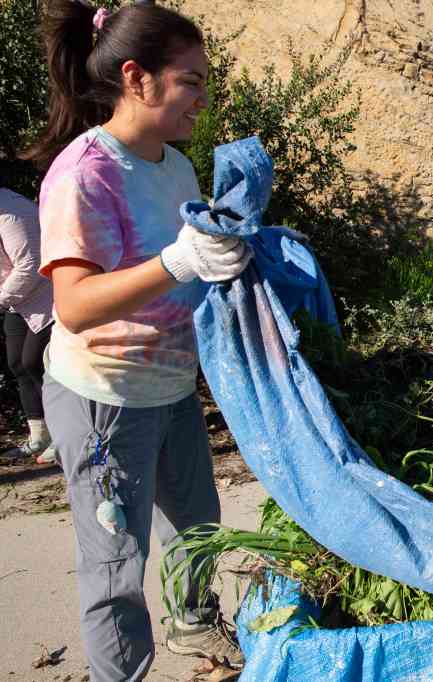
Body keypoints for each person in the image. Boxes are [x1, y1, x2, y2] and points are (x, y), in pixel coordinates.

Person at [22, 2, 252, 679]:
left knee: (198, 527)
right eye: (191, 81)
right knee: (117, 563)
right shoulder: (86, 173)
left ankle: (193, 627)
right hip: (103, 399)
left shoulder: (174, 168)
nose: (203, 98)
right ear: (137, 77)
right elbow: (74, 305)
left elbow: (187, 270)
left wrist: (228, 262)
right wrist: (176, 263)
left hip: (171, 388)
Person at [0, 188, 57, 463]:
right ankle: (39, 435)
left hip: (45, 297)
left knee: (36, 362)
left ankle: (62, 434)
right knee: (17, 364)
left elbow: (30, 264)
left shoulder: (11, 212)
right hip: (15, 300)